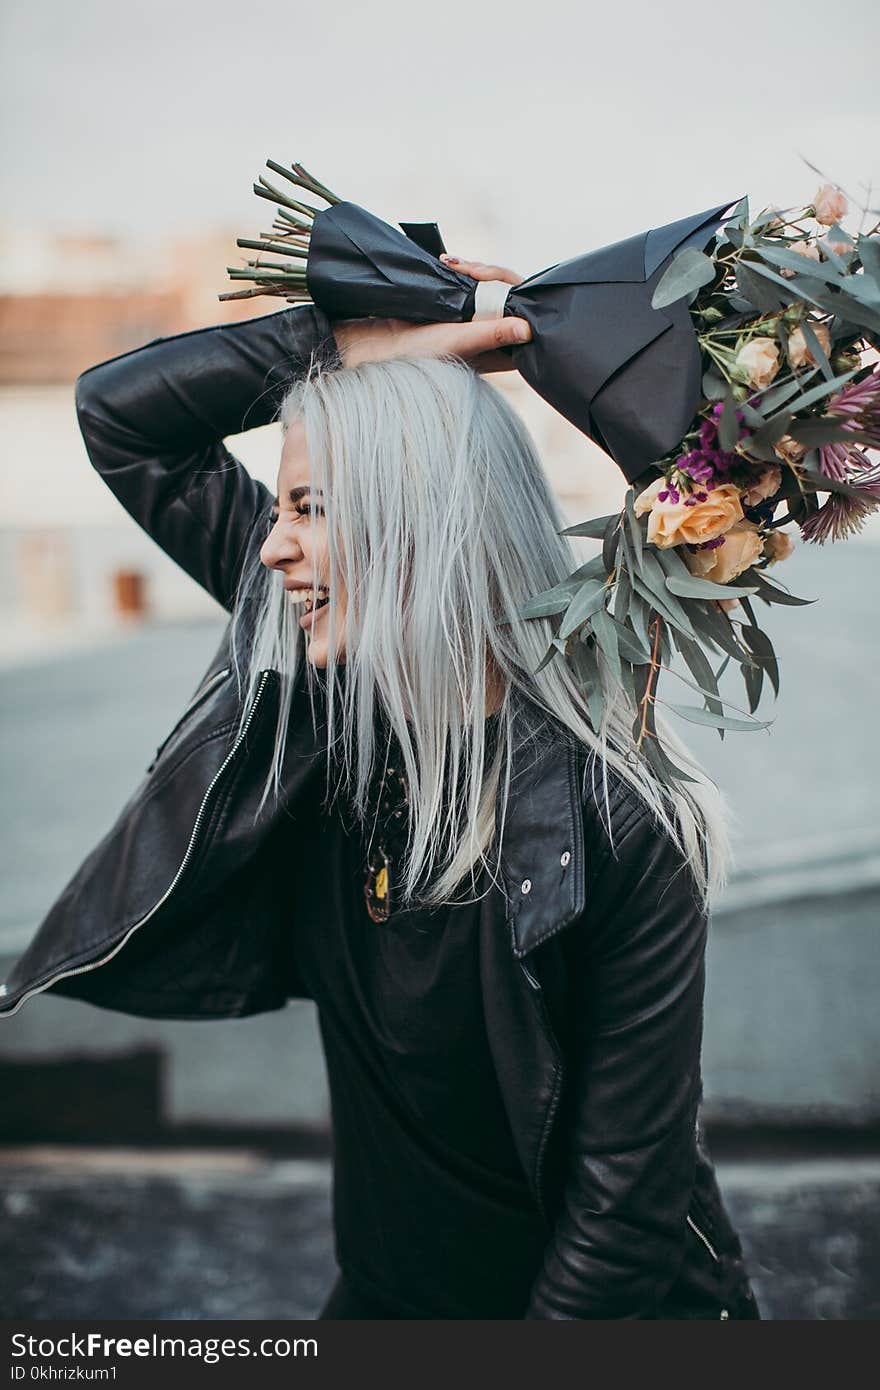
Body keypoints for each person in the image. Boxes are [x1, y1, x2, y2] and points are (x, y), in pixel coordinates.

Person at [1, 258, 761, 1320]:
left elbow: (620, 1219)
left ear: (420, 518)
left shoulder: (617, 819)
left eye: (310, 506)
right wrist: (359, 341)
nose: (272, 546)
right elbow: (120, 419)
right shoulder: (318, 702)